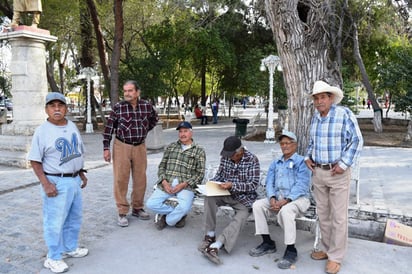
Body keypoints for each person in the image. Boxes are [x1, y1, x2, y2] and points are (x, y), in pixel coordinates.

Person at [304, 80, 363, 274]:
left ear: (331, 98)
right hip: (319, 173)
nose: (319, 101)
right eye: (316, 98)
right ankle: (327, 249)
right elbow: (312, 142)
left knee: (338, 217)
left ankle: (336, 257)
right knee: (324, 214)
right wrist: (308, 157)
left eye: (323, 97)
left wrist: (344, 164)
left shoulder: (343, 114)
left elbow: (356, 140)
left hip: (338, 173)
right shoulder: (315, 117)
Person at [28, 92, 88, 273]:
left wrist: (81, 172)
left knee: (74, 217)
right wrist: (46, 184)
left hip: (74, 179)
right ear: (46, 109)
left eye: (60, 105)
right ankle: (53, 257)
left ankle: (69, 248)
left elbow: (78, 150)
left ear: (66, 108)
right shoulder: (42, 131)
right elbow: (35, 160)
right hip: (56, 181)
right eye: (52, 106)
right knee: (54, 221)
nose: (56, 109)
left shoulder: (71, 126)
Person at [249, 130, 311, 269]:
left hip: (298, 199)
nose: (285, 146)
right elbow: (269, 182)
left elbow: (302, 185)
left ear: (295, 145)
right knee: (258, 205)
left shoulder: (301, 162)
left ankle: (291, 250)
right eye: (282, 143)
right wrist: (271, 198)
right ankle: (267, 242)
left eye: (288, 143)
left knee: (286, 211)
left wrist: (286, 200)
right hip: (278, 198)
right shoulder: (276, 163)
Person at [103, 80, 158, 227]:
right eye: (125, 91)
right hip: (122, 146)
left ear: (137, 92)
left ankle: (137, 208)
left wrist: (144, 131)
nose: (127, 93)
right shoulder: (118, 108)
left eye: (130, 90)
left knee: (140, 179)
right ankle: (122, 211)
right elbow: (109, 128)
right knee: (121, 179)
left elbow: (154, 119)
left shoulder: (146, 106)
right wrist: (106, 148)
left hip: (140, 146)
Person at [198, 136, 260, 264]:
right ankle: (209, 235)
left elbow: (253, 184)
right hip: (224, 192)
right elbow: (220, 174)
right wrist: (213, 183)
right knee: (209, 197)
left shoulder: (252, 160)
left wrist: (233, 185)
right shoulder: (226, 157)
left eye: (232, 155)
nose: (229, 157)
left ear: (240, 151)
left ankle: (217, 245)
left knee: (242, 215)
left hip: (244, 197)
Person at [146, 121, 206, 230]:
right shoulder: (171, 147)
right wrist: (164, 182)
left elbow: (200, 173)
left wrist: (183, 184)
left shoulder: (199, 150)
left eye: (185, 131)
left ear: (191, 133)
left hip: (186, 185)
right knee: (151, 204)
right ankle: (177, 214)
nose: (183, 134)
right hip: (168, 181)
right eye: (180, 131)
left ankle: (167, 218)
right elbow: (161, 167)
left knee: (173, 219)